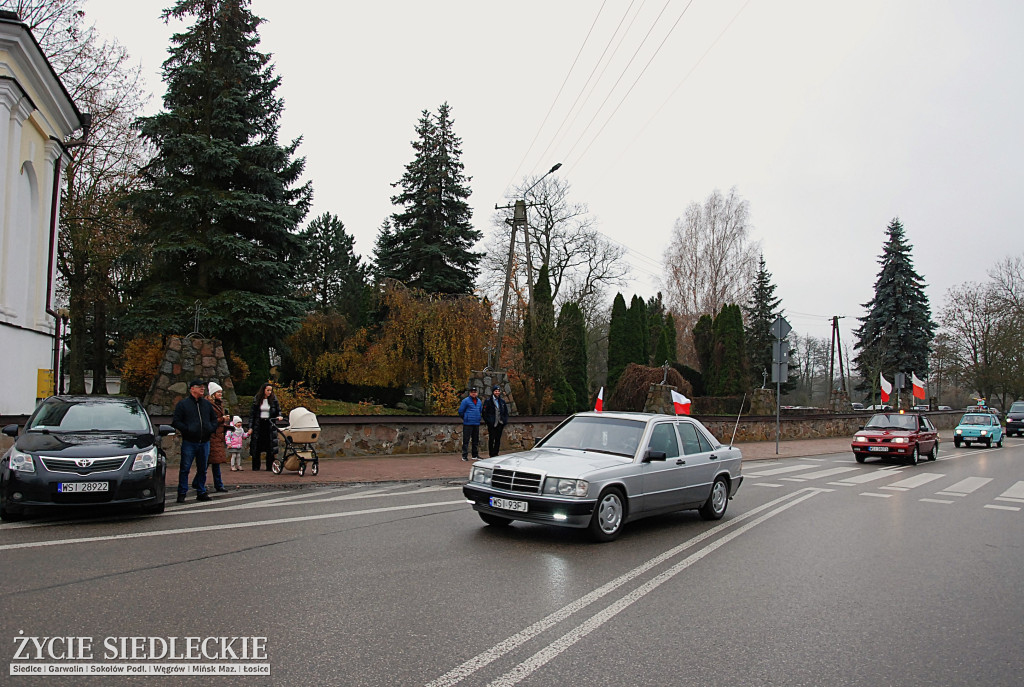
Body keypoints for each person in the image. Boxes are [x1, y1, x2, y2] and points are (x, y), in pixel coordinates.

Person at [171, 379, 221, 503]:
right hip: (189, 441)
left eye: (203, 387)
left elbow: (214, 420)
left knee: (203, 468)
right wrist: (187, 429)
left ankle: (201, 491)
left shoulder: (206, 404)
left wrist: (210, 428)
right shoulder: (183, 405)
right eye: (199, 387)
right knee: (185, 468)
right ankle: (182, 492)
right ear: (192, 388)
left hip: (204, 441)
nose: (202, 389)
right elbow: (176, 421)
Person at [196, 381, 231, 492]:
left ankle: (216, 483)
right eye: (218, 392)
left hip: (217, 436)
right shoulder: (210, 405)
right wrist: (222, 420)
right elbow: (211, 420)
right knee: (209, 462)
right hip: (212, 436)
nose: (220, 394)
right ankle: (213, 484)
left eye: (221, 392)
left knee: (214, 462)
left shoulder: (217, 404)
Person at [249, 382, 283, 471]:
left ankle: (269, 466)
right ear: (263, 390)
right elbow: (252, 414)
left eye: (270, 391)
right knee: (257, 446)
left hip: (269, 424)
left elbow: (278, 410)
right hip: (259, 424)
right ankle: (256, 466)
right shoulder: (257, 399)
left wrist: (279, 416)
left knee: (270, 446)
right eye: (267, 390)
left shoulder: (273, 399)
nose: (269, 392)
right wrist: (250, 427)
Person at [482, 385, 510, 457]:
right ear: (493, 392)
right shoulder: (488, 401)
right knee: (491, 439)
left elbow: (505, 412)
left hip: (500, 423)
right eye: (495, 391)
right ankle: (491, 454)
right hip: (492, 423)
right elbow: (484, 413)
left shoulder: (502, 401)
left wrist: (504, 420)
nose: (497, 392)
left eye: (498, 391)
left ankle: (496, 453)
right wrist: (488, 421)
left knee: (498, 439)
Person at [458, 386, 482, 461]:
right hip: (468, 423)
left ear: (477, 393)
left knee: (475, 440)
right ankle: (464, 456)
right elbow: (461, 411)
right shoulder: (465, 401)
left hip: (476, 423)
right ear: (470, 393)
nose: (474, 393)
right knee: (466, 440)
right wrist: (465, 418)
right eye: (472, 392)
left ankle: (475, 455)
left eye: (475, 392)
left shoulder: (479, 401)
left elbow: (480, 410)